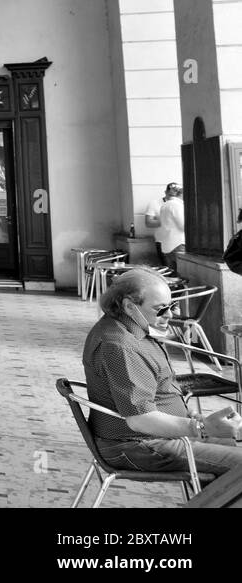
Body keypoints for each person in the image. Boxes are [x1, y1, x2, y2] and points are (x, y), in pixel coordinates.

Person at [82, 269, 242, 476]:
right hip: (137, 445)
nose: (171, 314)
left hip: (152, 437)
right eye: (160, 309)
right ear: (130, 306)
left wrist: (195, 418)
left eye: (172, 306)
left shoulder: (133, 330)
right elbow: (140, 420)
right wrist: (201, 427)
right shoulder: (120, 346)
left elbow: (158, 391)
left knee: (229, 444)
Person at [142, 183, 175, 265]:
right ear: (165, 192)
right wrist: (166, 221)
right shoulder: (155, 203)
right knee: (168, 268)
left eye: (176, 194)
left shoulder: (182, 204)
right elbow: (148, 223)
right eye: (171, 194)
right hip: (163, 241)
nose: (173, 197)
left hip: (180, 242)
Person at [157, 184, 186, 273]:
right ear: (182, 195)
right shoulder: (177, 205)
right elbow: (183, 226)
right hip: (178, 244)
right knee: (182, 275)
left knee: (172, 276)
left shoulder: (165, 205)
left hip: (166, 245)